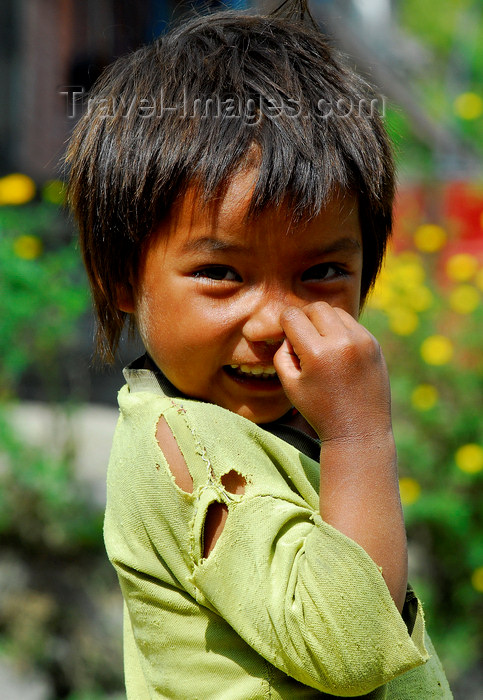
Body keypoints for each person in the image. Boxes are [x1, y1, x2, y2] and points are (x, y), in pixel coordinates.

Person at [66, 1, 452, 697]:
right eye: (221, 274)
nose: (274, 320)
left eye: (321, 273)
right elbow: (350, 649)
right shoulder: (189, 449)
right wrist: (360, 433)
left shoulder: (246, 423)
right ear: (121, 278)